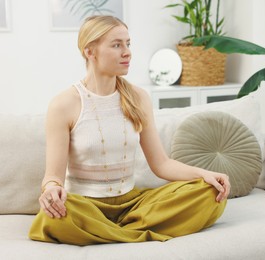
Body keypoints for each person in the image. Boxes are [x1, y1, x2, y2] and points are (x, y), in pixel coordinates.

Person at [28, 15, 230, 246]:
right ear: (89, 51)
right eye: (117, 45)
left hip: (132, 205)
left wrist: (205, 174)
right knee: (51, 218)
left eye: (128, 43)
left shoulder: (138, 98)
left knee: (209, 194)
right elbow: (53, 176)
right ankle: (132, 234)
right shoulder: (63, 104)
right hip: (85, 206)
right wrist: (52, 190)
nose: (127, 52)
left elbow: (161, 164)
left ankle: (107, 234)